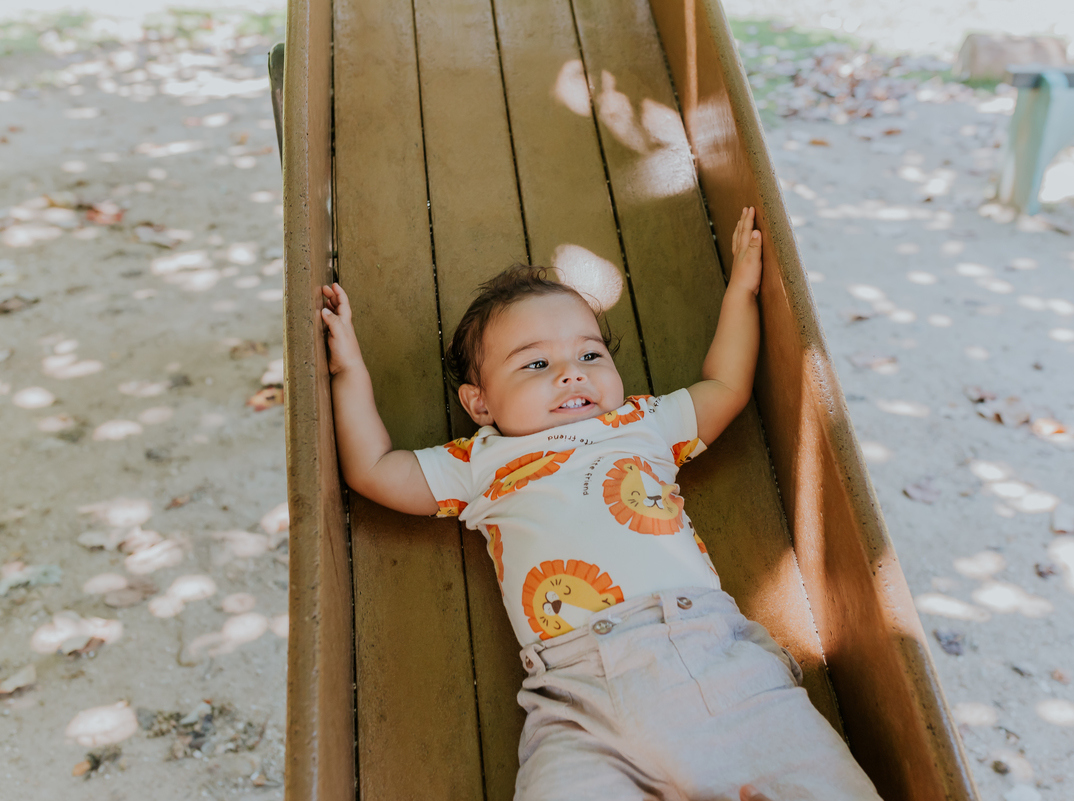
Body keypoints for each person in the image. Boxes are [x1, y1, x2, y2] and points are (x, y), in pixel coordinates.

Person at [320, 208, 881, 800]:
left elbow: (725, 387)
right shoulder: (476, 464)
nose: (570, 374)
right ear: (479, 403)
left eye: (591, 355)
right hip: (575, 695)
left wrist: (742, 289)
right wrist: (349, 369)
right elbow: (375, 470)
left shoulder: (641, 423)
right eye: (536, 363)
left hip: (708, 656)